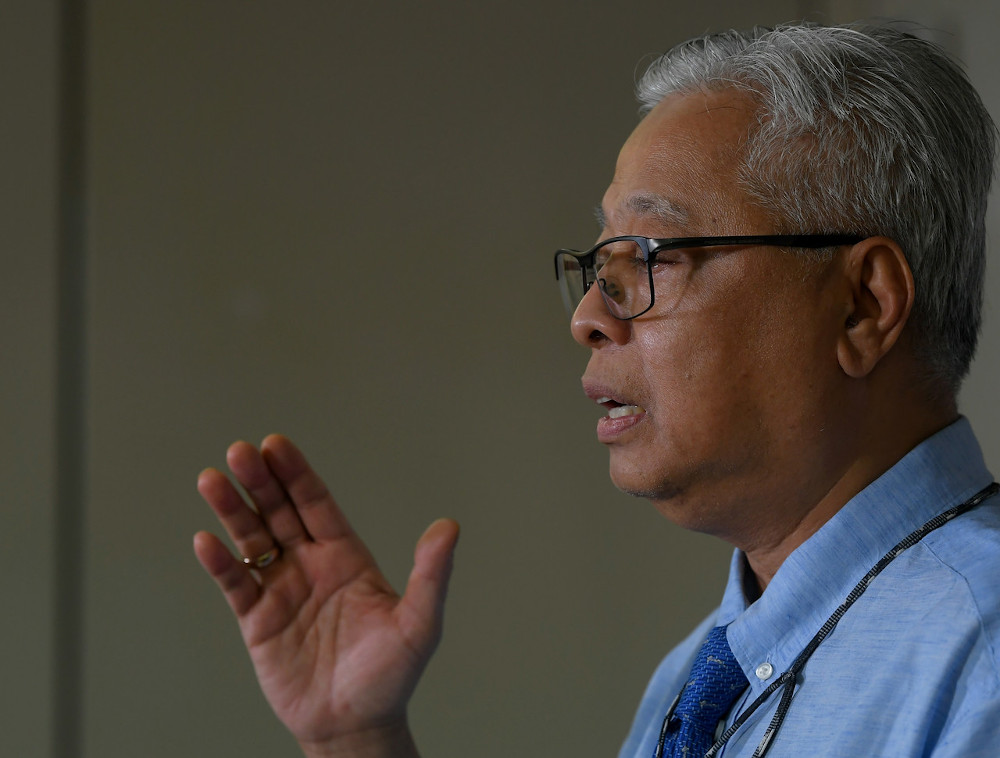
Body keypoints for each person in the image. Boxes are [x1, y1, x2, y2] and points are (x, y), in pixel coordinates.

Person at [194, 21, 999, 758]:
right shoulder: (696, 676)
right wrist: (360, 739)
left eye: (649, 256)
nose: (588, 316)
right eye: (599, 266)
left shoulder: (981, 649)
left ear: (862, 306)